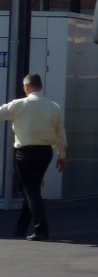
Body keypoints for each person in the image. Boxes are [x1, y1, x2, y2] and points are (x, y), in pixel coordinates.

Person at [0, 73, 67, 242]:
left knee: (31, 190)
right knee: (33, 189)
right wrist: (62, 155)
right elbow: (60, 134)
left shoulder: (19, 104)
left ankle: (41, 229)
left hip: (25, 152)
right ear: (41, 87)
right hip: (45, 152)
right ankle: (21, 228)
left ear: (26, 87)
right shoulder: (53, 107)